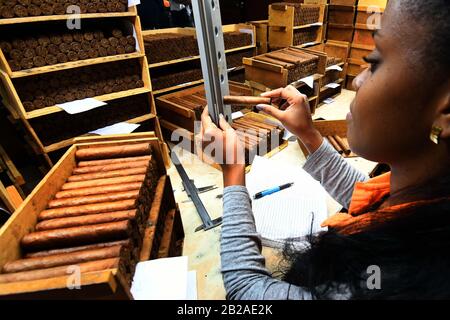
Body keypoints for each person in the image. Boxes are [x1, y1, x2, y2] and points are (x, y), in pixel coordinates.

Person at [198, 0, 450, 299]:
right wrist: (308, 134)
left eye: (375, 62)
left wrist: (234, 172)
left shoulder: (395, 283)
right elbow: (366, 198)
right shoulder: (429, 199)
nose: (357, 81)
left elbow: (247, 291)